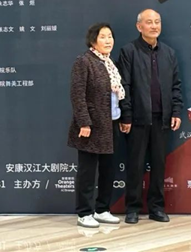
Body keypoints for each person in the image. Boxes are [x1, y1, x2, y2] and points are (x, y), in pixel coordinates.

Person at [117, 9, 183, 224]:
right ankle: (132, 208)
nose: (154, 26)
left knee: (159, 165)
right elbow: (124, 86)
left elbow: (175, 86)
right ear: (139, 27)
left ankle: (157, 208)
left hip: (162, 119)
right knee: (135, 165)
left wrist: (176, 111)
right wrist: (126, 115)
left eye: (157, 22)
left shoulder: (169, 53)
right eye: (149, 22)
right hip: (137, 119)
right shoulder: (128, 51)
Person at [68, 23, 125, 228]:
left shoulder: (110, 63)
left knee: (108, 170)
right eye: (103, 37)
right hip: (91, 126)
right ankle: (84, 213)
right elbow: (78, 95)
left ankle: (102, 209)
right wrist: (84, 122)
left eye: (110, 36)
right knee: (87, 171)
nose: (108, 40)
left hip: (111, 123)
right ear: (93, 41)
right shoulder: (84, 61)